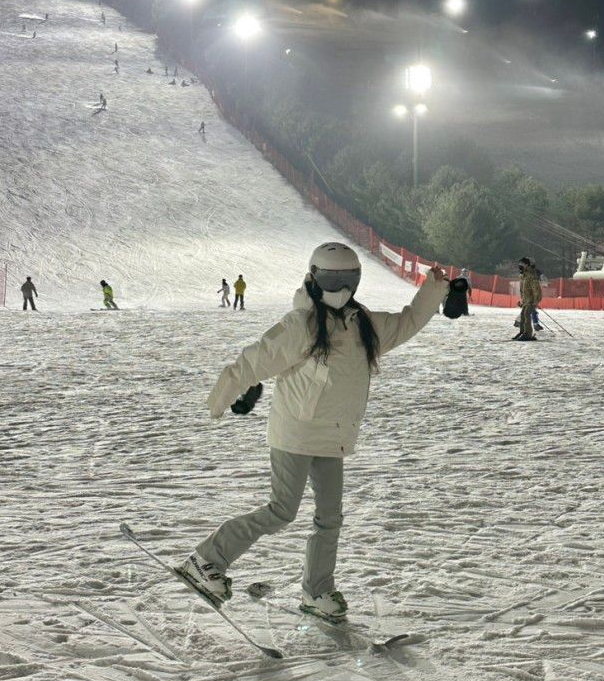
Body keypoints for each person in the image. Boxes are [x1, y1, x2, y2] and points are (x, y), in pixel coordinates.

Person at [177, 242, 448, 620]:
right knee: (281, 511)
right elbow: (254, 361)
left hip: (333, 437)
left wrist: (434, 290)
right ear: (314, 277)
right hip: (296, 433)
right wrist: (220, 399)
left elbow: (405, 323)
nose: (340, 287)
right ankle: (206, 559)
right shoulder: (301, 325)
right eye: (331, 278)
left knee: (330, 517)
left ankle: (316, 591)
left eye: (347, 278)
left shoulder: (362, 325)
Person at [514, 256, 542, 341]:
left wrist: (536, 300)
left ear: (526, 265)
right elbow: (523, 290)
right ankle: (523, 332)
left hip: (531, 300)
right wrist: (522, 300)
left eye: (522, 264)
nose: (520, 266)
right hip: (526, 300)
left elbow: (536, 289)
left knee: (526, 314)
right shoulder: (523, 275)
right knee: (523, 315)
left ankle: (528, 334)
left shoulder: (531, 275)